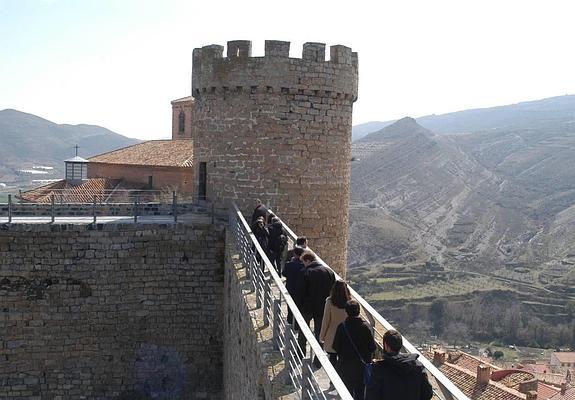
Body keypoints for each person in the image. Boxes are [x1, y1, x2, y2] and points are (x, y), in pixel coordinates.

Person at [365, 330, 433, 400]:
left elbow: (371, 396)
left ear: (386, 345)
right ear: (400, 345)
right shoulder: (417, 366)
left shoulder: (379, 369)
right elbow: (428, 393)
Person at [332, 300, 376, 400]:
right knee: (360, 394)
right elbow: (372, 347)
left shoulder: (342, 327)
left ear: (346, 312)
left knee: (347, 393)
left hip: (345, 367)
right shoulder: (365, 327)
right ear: (358, 311)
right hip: (361, 368)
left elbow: (335, 347)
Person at [298, 250, 335, 361]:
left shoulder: (305, 272)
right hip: (323, 308)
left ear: (308, 260)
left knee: (303, 330)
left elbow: (300, 291)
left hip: (307, 307)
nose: (304, 265)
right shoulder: (329, 272)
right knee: (320, 333)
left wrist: (299, 305)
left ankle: (300, 353)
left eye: (304, 262)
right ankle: (318, 359)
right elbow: (333, 291)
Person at [319, 280, 351, 367]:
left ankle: (333, 379)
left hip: (332, 335)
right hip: (346, 335)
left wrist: (322, 336)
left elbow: (326, 321)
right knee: (343, 358)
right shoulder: (350, 302)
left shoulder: (329, 301)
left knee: (332, 358)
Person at [282, 246, 305, 327]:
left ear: (294, 254)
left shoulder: (289, 264)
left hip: (290, 288)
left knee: (290, 307)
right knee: (299, 307)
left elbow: (283, 273)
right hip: (301, 290)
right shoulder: (304, 266)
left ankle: (290, 322)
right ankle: (297, 325)